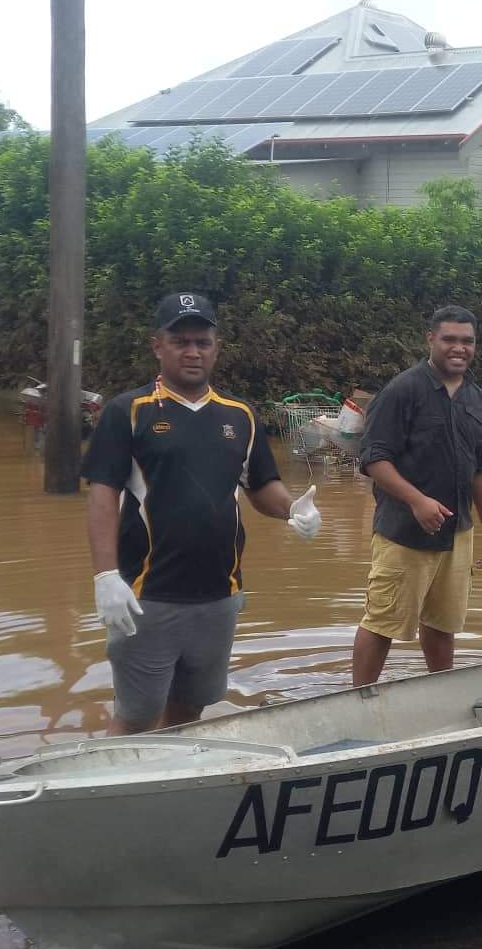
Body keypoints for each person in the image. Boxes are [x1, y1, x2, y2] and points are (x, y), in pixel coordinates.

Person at [83, 291, 322, 734]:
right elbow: (101, 497)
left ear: (217, 347)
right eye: (180, 341)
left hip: (219, 596)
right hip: (146, 597)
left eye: (202, 342)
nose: (193, 351)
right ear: (158, 346)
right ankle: (110, 795)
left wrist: (293, 510)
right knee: (135, 719)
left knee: (191, 713)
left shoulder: (241, 415)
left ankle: (172, 789)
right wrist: (104, 577)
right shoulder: (126, 412)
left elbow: (260, 487)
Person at [352, 305, 482, 685]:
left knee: (443, 623)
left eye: (467, 341)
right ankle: (357, 701)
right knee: (383, 622)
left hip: (457, 533)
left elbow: (481, 468)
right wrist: (417, 500)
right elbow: (373, 459)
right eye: (449, 339)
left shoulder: (477, 399)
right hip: (404, 532)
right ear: (430, 339)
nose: (459, 348)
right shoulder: (403, 390)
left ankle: (441, 694)